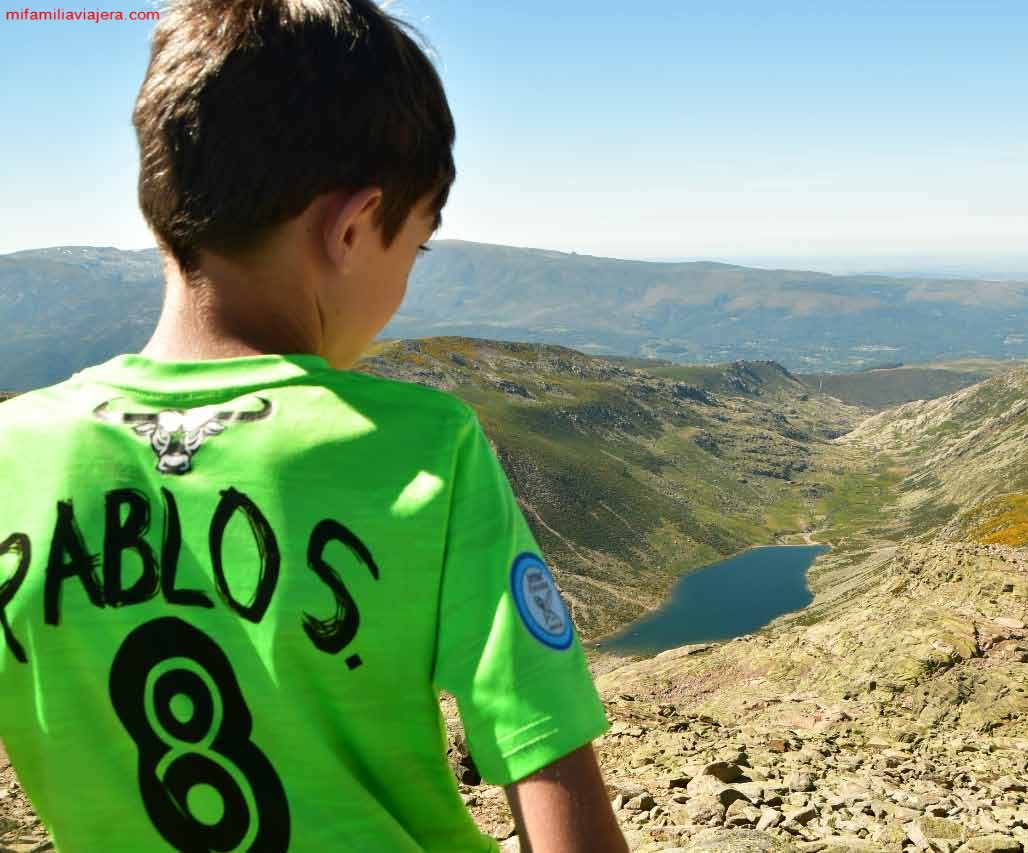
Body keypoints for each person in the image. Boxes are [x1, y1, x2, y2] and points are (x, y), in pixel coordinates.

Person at [0, 1, 628, 850]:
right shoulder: (426, 449)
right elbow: (558, 798)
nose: (408, 278)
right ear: (352, 226)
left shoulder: (13, 454)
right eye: (417, 245)